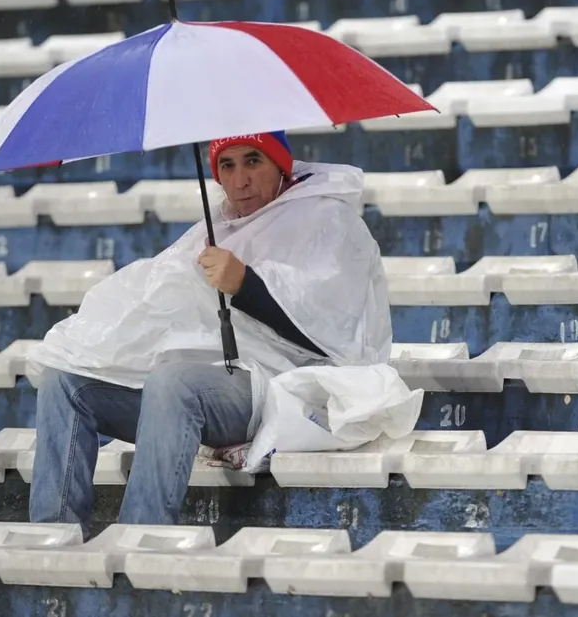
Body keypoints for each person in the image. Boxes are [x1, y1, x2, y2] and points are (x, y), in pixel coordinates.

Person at [27, 131, 392, 535]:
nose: (240, 180)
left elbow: (337, 334)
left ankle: (138, 541)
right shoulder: (216, 226)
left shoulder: (328, 219)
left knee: (173, 382)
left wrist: (247, 285)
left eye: (253, 161)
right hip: (205, 387)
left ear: (281, 165)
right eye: (227, 165)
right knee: (64, 381)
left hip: (281, 385)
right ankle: (52, 539)